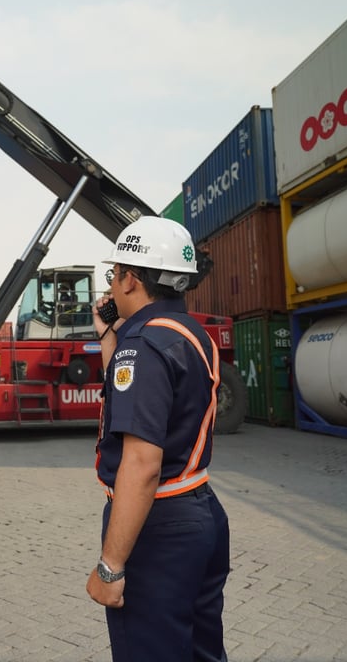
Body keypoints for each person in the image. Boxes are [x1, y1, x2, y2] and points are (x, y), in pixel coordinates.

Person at [85, 216, 230, 662]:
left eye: (114, 274)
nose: (111, 286)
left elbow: (142, 464)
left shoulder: (143, 345)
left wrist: (110, 568)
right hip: (200, 511)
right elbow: (138, 392)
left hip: (159, 526)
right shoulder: (192, 336)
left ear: (131, 279)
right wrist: (110, 337)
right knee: (202, 650)